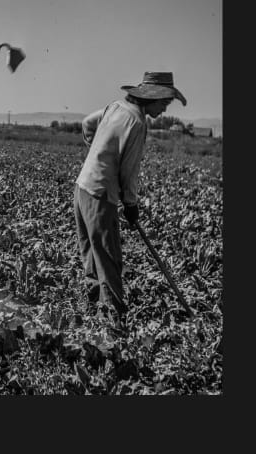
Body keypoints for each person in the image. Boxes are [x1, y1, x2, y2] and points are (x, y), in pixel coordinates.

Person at [74, 72, 187, 329]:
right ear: (151, 98)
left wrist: (99, 151)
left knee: (91, 255)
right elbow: (129, 169)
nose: (163, 109)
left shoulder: (115, 107)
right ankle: (115, 325)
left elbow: (86, 123)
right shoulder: (137, 122)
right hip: (101, 194)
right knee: (109, 259)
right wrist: (131, 204)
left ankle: (92, 312)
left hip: (82, 188)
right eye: (163, 103)